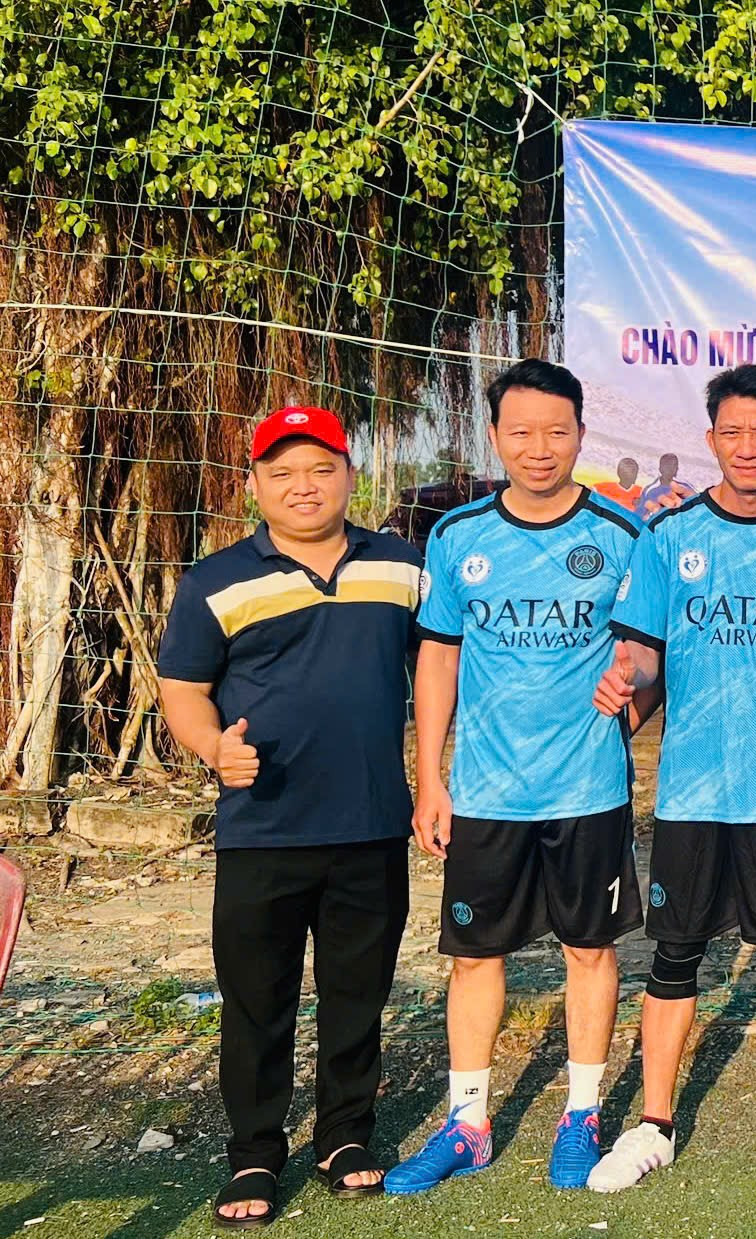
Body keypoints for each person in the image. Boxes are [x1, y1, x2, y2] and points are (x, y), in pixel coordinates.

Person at [582, 365, 756, 1193]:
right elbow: (643, 651)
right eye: (732, 432)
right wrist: (627, 680)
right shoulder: (669, 535)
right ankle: (655, 1122)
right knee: (673, 954)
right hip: (691, 790)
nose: (747, 447)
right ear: (710, 438)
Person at [157, 406, 420, 1229]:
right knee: (257, 1000)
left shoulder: (402, 568)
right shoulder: (216, 580)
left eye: (320, 468)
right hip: (261, 829)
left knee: (357, 994)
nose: (303, 486)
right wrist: (213, 748)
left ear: (349, 475)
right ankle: (254, 1150)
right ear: (254, 485)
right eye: (282, 472)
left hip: (372, 823)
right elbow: (182, 689)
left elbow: (445, 666)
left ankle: (344, 1134)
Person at [389, 359, 645, 1195]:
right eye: (522, 432)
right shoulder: (458, 535)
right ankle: (467, 1123)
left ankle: (581, 1113)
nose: (540, 448)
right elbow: (438, 658)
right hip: (487, 791)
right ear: (494, 436)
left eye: (557, 431)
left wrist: (633, 691)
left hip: (587, 789)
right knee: (474, 956)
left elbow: (648, 653)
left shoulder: (621, 534)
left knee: (589, 949)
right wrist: (430, 778)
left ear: (581, 435)